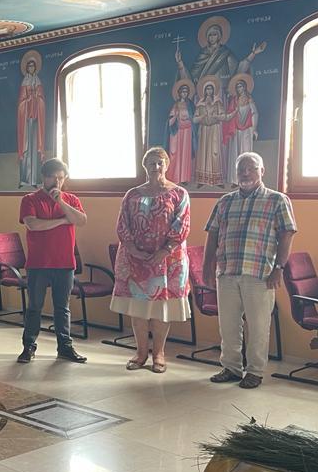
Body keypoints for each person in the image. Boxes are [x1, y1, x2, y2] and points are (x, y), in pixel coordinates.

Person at [203, 152, 296, 389]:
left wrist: (279, 268)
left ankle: (255, 371)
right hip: (227, 272)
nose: (245, 173)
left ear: (262, 171)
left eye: (251, 168)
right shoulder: (225, 201)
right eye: (241, 169)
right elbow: (212, 235)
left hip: (260, 274)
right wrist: (207, 267)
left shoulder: (277, 200)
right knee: (228, 325)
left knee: (258, 326)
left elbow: (287, 234)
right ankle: (231, 367)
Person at [109, 148, 191, 373]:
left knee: (161, 310)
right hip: (135, 259)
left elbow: (182, 224)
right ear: (144, 166)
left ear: (166, 165)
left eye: (160, 163)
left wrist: (164, 251)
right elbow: (122, 224)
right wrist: (133, 249)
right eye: (151, 163)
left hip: (168, 260)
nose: (156, 167)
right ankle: (140, 353)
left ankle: (159, 354)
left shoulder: (179, 193)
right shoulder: (132, 194)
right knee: (139, 309)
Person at [16, 158, 88, 364]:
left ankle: (65, 347)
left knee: (62, 308)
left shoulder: (71, 200)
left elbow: (81, 220)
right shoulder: (30, 199)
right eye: (52, 177)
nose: (56, 182)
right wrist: (63, 220)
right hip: (38, 263)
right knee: (34, 307)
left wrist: (61, 203)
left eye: (61, 178)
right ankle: (29, 346)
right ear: (43, 177)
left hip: (65, 263)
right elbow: (33, 225)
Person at [16, 52, 45, 187]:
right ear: (27, 68)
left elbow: (42, 101)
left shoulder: (38, 82)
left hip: (36, 120)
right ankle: (24, 179)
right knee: (26, 149)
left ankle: (34, 180)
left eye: (33, 66)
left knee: (35, 150)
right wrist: (27, 100)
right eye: (29, 66)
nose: (31, 68)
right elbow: (20, 103)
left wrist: (37, 98)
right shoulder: (24, 83)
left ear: (35, 67)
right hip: (26, 121)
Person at [193, 77, 224, 187]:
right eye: (207, 89)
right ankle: (202, 180)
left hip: (215, 129)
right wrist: (201, 117)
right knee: (203, 153)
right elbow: (194, 119)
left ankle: (217, 181)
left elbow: (223, 116)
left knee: (214, 152)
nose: (209, 91)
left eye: (211, 89)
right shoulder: (200, 103)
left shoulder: (217, 102)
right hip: (204, 130)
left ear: (214, 90)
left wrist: (217, 116)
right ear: (204, 91)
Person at [165, 79, 196, 185]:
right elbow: (170, 118)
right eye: (183, 91)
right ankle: (174, 177)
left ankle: (184, 178)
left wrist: (189, 119)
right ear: (179, 93)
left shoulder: (190, 105)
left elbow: (194, 117)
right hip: (177, 131)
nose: (184, 93)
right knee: (175, 152)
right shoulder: (176, 104)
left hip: (187, 130)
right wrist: (175, 117)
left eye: (186, 92)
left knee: (185, 154)